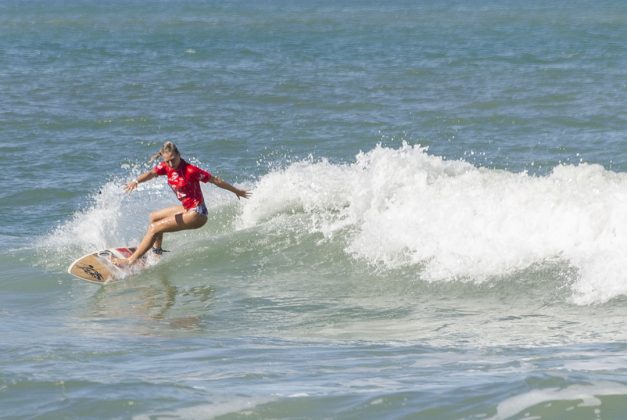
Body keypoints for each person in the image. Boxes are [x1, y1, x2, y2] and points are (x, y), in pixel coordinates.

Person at [113, 141, 250, 266]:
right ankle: (156, 252)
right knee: (154, 217)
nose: (171, 164)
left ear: (179, 155)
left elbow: (215, 180)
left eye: (173, 160)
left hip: (197, 213)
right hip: (187, 209)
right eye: (167, 161)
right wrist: (136, 181)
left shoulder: (190, 171)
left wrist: (236, 191)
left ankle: (130, 261)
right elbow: (150, 173)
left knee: (154, 228)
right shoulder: (165, 167)